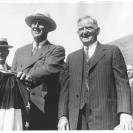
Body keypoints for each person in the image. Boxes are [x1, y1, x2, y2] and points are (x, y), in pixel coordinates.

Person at [58, 15, 132, 130]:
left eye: (88, 28)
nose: (84, 32)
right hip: (77, 120)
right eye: (81, 29)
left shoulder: (112, 52)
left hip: (106, 118)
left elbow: (122, 83)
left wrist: (125, 113)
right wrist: (62, 116)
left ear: (98, 30)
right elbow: (65, 90)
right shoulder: (72, 58)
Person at [11, 10, 65, 130]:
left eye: (40, 23)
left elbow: (48, 69)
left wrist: (27, 77)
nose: (35, 26)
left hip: (44, 112)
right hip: (21, 110)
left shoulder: (56, 50)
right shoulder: (20, 51)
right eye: (33, 23)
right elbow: (13, 78)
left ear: (48, 27)